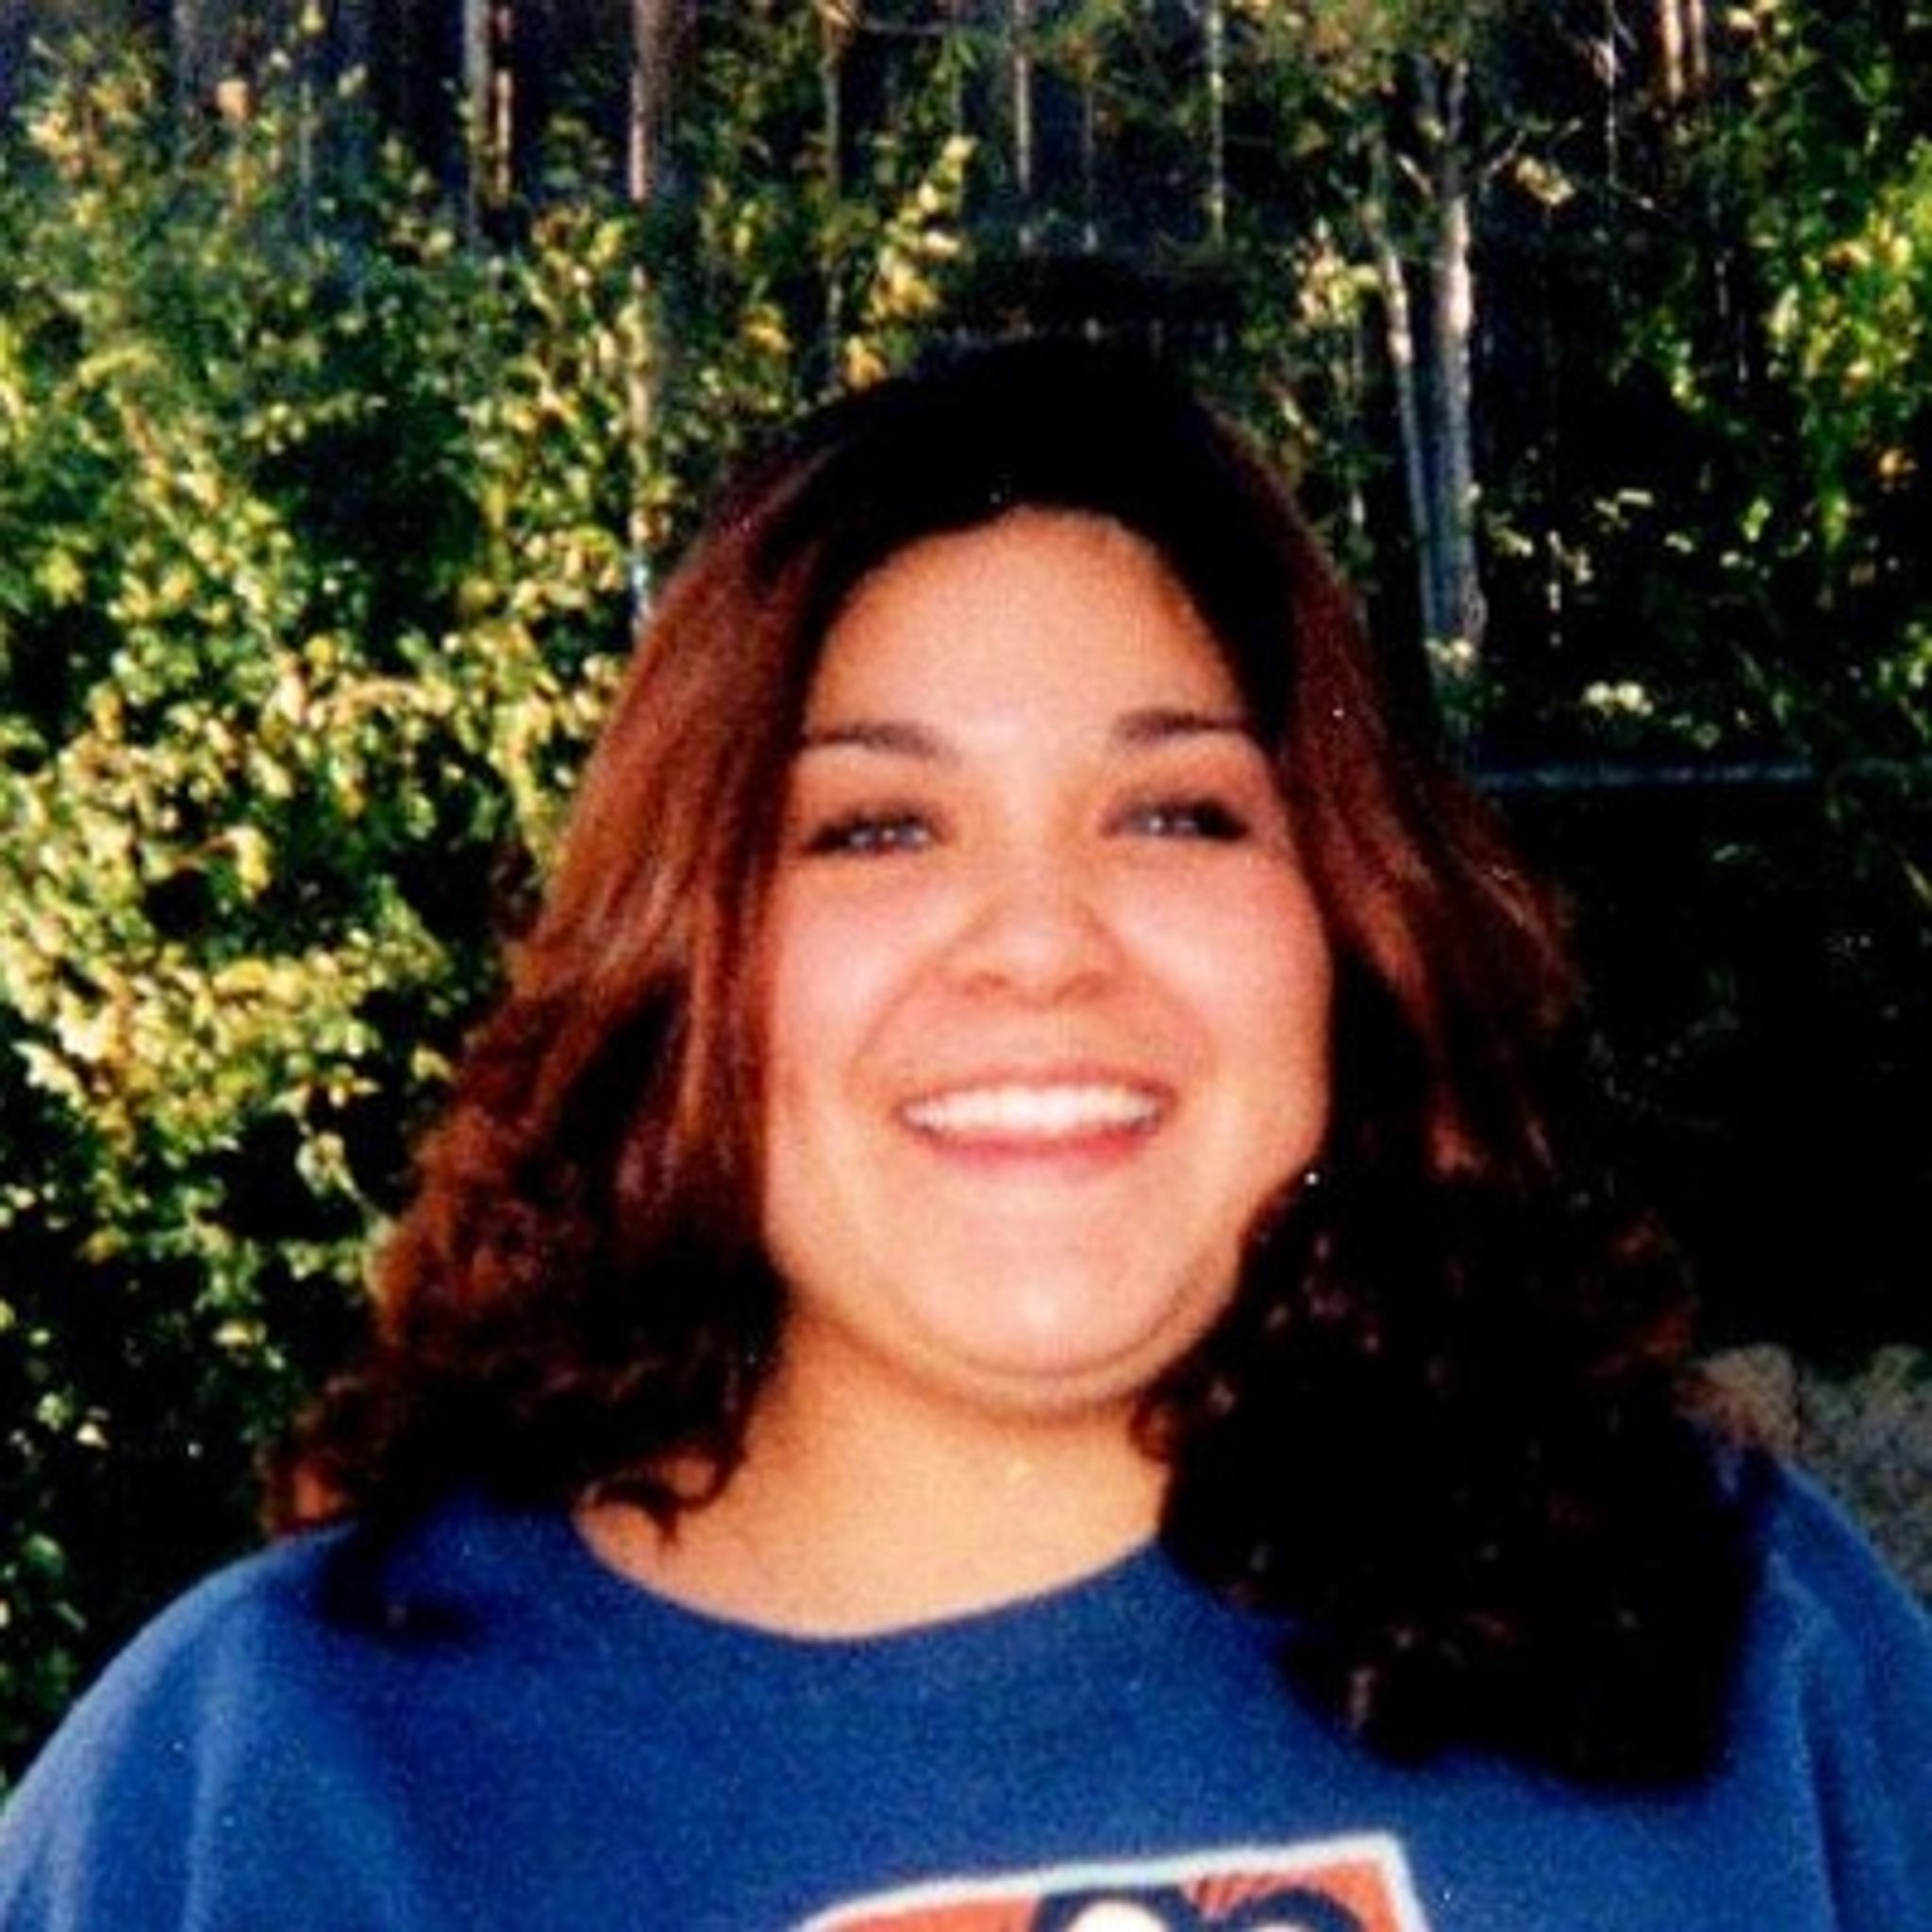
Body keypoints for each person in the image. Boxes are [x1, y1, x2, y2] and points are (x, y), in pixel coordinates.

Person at [1, 336, 1926, 1931]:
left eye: (1174, 813)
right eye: (876, 829)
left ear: (1347, 931)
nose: (1037, 940)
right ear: (689, 966)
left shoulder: (1736, 1645)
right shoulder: (270, 1780)